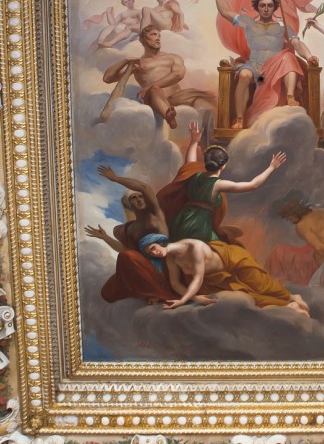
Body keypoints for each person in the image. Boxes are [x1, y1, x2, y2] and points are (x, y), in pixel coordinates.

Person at [211, 0, 316, 129]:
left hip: (276, 68)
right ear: (257, 7)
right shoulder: (248, 23)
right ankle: (239, 119)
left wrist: (309, 56)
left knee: (288, 56)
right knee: (244, 75)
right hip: (255, 66)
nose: (266, 9)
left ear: (274, 7)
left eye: (269, 5)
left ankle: (290, 97)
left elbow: (296, 43)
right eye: (262, 5)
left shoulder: (283, 27)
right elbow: (226, 12)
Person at [157, 121, 286, 242]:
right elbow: (254, 185)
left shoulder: (194, 175)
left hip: (181, 221)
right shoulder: (218, 184)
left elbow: (190, 162)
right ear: (223, 165)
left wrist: (194, 140)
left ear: (206, 162)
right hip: (199, 225)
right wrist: (271, 168)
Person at [139, 232, 309, 316]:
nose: (154, 253)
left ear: (160, 242)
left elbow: (197, 277)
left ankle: (292, 296)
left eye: (153, 248)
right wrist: (197, 298)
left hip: (232, 259)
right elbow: (176, 284)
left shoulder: (193, 247)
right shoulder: (171, 260)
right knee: (247, 297)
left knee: (261, 284)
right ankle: (286, 306)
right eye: (149, 252)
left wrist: (183, 300)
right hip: (216, 277)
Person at [85, 165, 175, 305]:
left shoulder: (155, 215)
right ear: (129, 203)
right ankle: (149, 290)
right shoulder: (131, 228)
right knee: (107, 291)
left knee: (126, 258)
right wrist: (105, 237)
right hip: (144, 267)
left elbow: (144, 188)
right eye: (134, 198)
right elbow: (125, 251)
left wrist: (116, 178)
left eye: (140, 196)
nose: (139, 199)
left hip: (165, 266)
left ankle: (158, 293)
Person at [101, 26, 214, 129]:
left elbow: (178, 74)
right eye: (153, 35)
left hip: (175, 97)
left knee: (201, 101)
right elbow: (107, 78)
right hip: (152, 98)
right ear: (143, 40)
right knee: (155, 89)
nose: (158, 38)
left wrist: (149, 85)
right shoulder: (139, 64)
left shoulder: (173, 57)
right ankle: (169, 117)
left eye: (159, 35)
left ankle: (210, 130)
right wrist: (125, 61)